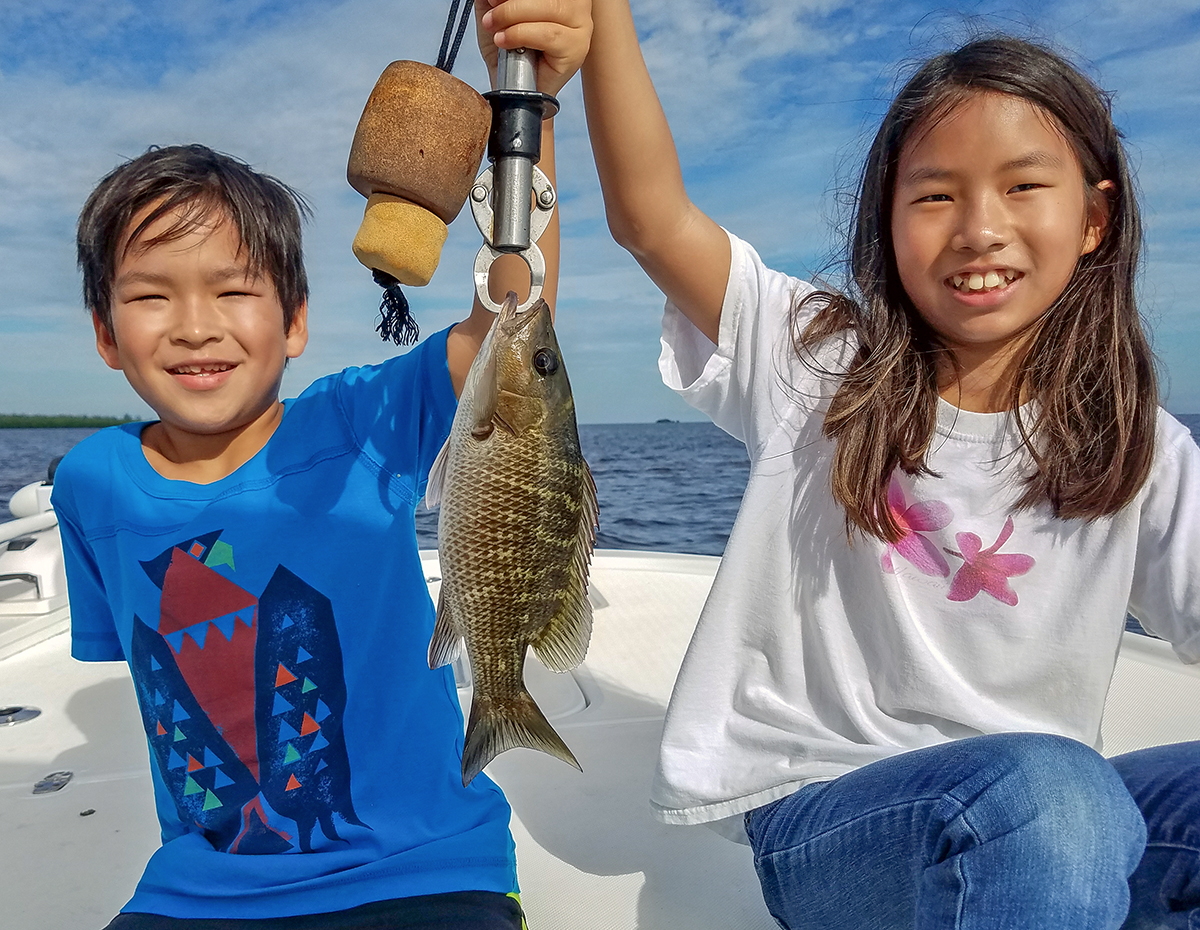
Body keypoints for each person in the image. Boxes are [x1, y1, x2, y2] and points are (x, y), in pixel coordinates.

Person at [489, 0, 1200, 924]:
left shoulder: (1141, 446)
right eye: (935, 196)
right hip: (827, 814)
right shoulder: (819, 362)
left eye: (1024, 186)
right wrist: (602, 18)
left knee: (1057, 800)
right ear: (887, 220)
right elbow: (653, 222)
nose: (980, 229)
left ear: (1096, 217)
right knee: (1052, 795)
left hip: (1051, 824)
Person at [52, 3, 592, 928]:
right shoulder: (88, 483)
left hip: (425, 870)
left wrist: (528, 104)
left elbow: (512, 308)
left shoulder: (361, 424)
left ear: (295, 320)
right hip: (201, 894)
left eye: (234, 290)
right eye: (150, 297)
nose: (195, 325)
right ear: (106, 333)